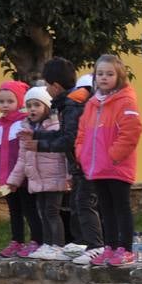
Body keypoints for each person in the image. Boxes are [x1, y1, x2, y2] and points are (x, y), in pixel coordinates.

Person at [76, 54, 142, 267]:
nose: (104, 77)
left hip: (117, 166)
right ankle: (110, 247)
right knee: (105, 208)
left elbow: (131, 131)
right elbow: (82, 132)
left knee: (121, 207)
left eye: (109, 74)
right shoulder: (92, 103)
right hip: (97, 167)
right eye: (100, 74)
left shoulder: (126, 101)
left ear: (119, 76)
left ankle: (125, 249)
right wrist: (82, 154)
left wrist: (114, 156)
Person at [30, 58, 100, 261]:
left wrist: (40, 145)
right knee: (77, 205)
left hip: (85, 163)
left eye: (46, 85)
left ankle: (95, 245)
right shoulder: (69, 103)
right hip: (79, 164)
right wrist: (37, 136)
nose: (46, 90)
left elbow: (69, 138)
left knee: (84, 205)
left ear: (55, 86)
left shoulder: (72, 105)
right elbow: (64, 134)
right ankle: (81, 244)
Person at [2, 86, 71, 259]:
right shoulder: (26, 130)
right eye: (29, 105)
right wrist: (14, 180)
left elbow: (66, 154)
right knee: (42, 212)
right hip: (37, 180)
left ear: (47, 106)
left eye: (37, 105)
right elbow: (22, 158)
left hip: (54, 178)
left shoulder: (56, 127)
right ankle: (47, 244)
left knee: (52, 212)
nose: (32, 109)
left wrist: (70, 176)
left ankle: (58, 245)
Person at [0, 80, 38, 257]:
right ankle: (17, 241)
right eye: (1, 101)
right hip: (4, 177)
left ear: (20, 102)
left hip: (22, 177)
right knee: (13, 210)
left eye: (10, 101)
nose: (5, 105)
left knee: (29, 208)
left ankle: (37, 240)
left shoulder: (24, 122)